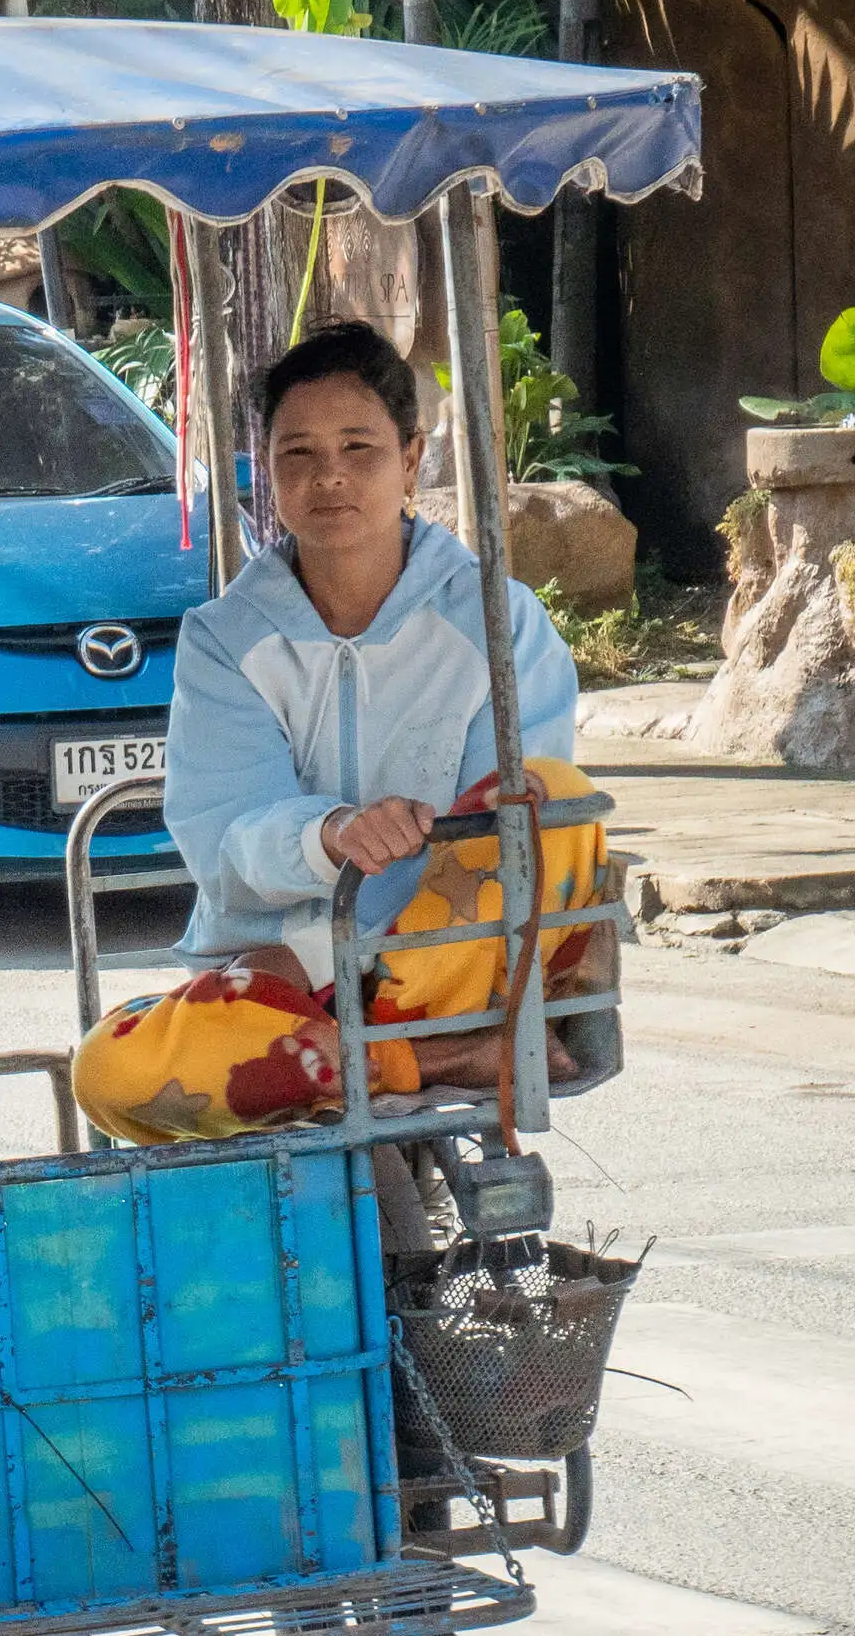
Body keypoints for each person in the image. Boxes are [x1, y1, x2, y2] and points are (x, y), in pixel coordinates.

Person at [73, 320, 606, 1145]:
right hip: (286, 988)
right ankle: (431, 1061)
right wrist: (330, 835)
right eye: (298, 454)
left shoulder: (498, 621)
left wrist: (414, 890)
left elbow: (510, 835)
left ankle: (408, 1041)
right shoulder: (226, 638)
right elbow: (226, 840)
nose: (330, 478)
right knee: (111, 1071)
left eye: (359, 448)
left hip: (447, 966)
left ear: (412, 459)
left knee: (552, 796)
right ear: (271, 471)